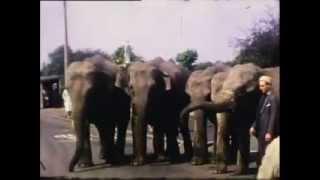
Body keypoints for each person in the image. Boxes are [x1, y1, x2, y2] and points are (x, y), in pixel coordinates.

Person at [250, 75, 279, 167]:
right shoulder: (262, 98)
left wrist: (269, 132)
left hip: (268, 132)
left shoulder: (273, 99)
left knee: (268, 154)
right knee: (262, 153)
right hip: (261, 131)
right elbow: (259, 114)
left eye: (262, 86)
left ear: (269, 86)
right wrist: (254, 126)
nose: (260, 88)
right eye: (260, 86)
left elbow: (273, 116)